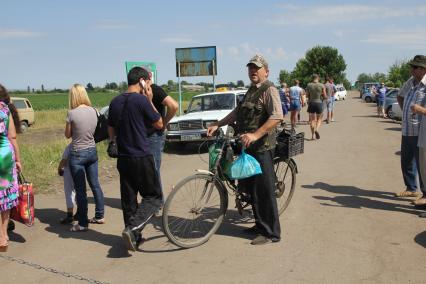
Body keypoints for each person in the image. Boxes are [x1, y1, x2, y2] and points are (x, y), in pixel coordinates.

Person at [207, 54, 283, 245]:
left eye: (257, 68)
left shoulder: (269, 89)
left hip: (262, 147)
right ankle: (259, 225)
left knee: (264, 191)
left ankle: (270, 233)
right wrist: (218, 124)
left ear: (266, 71)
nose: (253, 71)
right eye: (250, 68)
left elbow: (277, 116)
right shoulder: (250, 90)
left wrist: (256, 135)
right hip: (247, 147)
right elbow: (236, 113)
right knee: (251, 189)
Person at [108, 67, 163, 251]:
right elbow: (159, 123)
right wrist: (149, 99)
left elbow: (110, 127)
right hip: (141, 155)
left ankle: (133, 237)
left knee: (129, 199)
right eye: (148, 81)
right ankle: (132, 229)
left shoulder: (114, 102)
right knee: (154, 197)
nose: (149, 85)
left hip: (123, 157)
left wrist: (113, 141)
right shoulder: (141, 100)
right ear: (141, 81)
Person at [65, 84, 105, 231]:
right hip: (92, 151)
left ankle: (82, 223)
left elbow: (67, 135)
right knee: (95, 184)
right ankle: (100, 215)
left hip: (78, 153)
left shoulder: (71, 113)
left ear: (73, 96)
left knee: (81, 190)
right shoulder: (94, 110)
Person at [144, 69, 178, 214]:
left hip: (155, 136)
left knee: (154, 169)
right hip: (146, 135)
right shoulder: (144, 92)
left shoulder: (155, 90)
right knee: (149, 170)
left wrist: (164, 122)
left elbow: (174, 106)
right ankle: (153, 199)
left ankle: (157, 203)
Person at [395, 55, 426, 199]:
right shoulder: (411, 82)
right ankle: (411, 188)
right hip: (407, 129)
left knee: (423, 165)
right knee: (406, 161)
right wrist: (406, 112)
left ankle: (424, 194)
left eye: (414, 67)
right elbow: (400, 96)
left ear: (422, 69)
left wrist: (420, 110)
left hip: (421, 132)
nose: (411, 70)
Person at [0, 84, 22, 252]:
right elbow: (12, 136)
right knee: (5, 196)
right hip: (5, 155)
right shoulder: (5, 109)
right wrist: (18, 160)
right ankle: (3, 235)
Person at [57, 143, 76, 224]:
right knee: (79, 192)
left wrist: (59, 168)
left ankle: (70, 215)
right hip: (80, 171)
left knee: (69, 192)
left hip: (69, 171)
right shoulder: (85, 144)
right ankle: (81, 213)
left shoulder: (69, 147)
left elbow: (64, 160)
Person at [306, 74, 327, 140]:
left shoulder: (309, 85)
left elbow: (306, 95)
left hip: (311, 103)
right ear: (318, 78)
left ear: (312, 78)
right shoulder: (321, 85)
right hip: (319, 103)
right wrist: (323, 96)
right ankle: (317, 130)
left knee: (312, 120)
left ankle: (312, 136)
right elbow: (325, 96)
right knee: (319, 119)